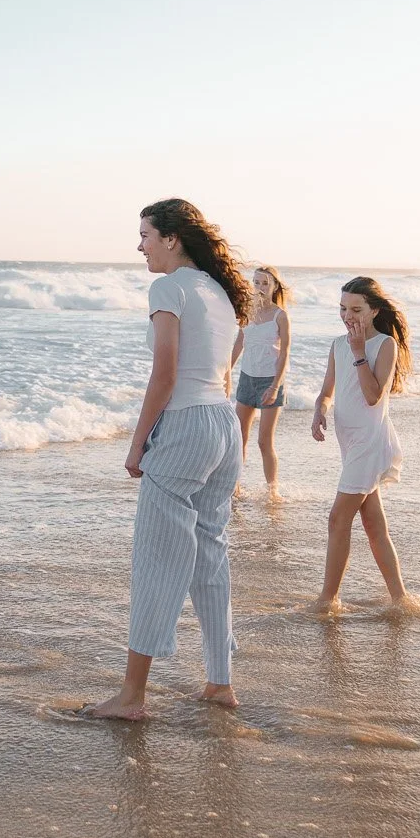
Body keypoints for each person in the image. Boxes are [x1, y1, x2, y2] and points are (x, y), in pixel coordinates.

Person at [88, 198, 251, 720]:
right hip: (223, 425)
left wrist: (138, 444)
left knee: (157, 561)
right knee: (209, 553)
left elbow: (165, 373)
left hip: (184, 426)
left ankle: (133, 697)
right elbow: (226, 360)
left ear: (172, 238)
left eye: (145, 235)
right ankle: (219, 683)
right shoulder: (219, 292)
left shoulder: (169, 287)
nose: (140, 246)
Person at [309, 277, 420, 613]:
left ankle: (327, 600)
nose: (348, 316)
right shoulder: (337, 344)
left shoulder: (384, 345)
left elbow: (374, 396)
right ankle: (401, 599)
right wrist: (319, 410)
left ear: (374, 310)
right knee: (373, 524)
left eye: (357, 309)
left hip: (371, 442)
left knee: (337, 519)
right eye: (343, 308)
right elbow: (328, 391)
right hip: (350, 445)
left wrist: (360, 353)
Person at [228, 264, 292, 499]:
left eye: (265, 283)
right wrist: (226, 373)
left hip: (270, 381)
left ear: (274, 286)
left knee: (264, 441)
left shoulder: (280, 316)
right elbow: (238, 344)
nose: (260, 287)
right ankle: (234, 487)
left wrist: (275, 386)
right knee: (239, 437)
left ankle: (272, 492)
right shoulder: (246, 311)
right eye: (256, 282)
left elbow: (285, 353)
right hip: (247, 378)